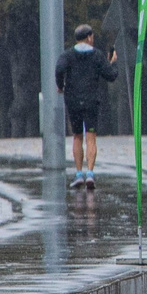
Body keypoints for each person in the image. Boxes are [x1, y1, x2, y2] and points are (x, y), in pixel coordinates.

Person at [53, 24, 120, 189]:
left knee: (77, 136)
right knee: (91, 137)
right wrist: (113, 63)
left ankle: (78, 174)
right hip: (91, 101)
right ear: (89, 37)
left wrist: (61, 86)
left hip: (73, 101)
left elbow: (59, 69)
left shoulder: (67, 55)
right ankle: (90, 173)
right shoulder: (97, 55)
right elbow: (111, 76)